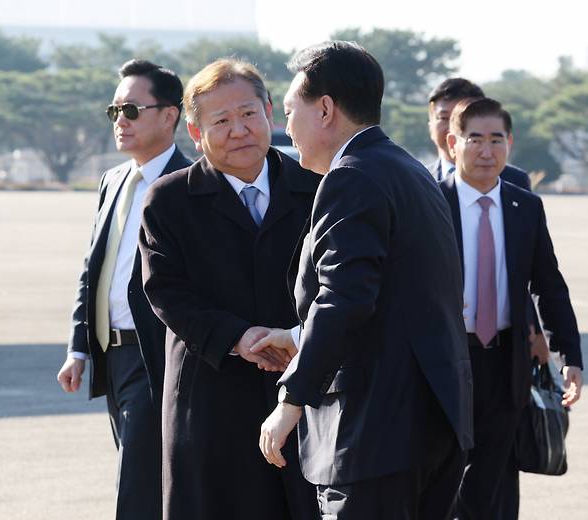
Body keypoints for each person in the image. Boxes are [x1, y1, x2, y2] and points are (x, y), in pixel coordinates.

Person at [255, 41, 473, 519]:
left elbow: (344, 300)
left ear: (326, 110)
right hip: (429, 423)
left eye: (291, 111)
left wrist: (291, 399)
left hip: (373, 434)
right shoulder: (409, 170)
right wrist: (296, 337)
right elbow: (395, 297)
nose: (284, 127)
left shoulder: (350, 177)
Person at [138, 59, 320, 520]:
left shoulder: (318, 190)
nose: (238, 130)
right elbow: (166, 293)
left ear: (270, 114)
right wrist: (240, 338)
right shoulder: (168, 200)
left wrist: (300, 339)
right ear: (196, 134)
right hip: (210, 391)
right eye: (220, 121)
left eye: (248, 114)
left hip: (302, 389)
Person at [56, 59, 191, 520]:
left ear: (169, 115)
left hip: (159, 357)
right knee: (145, 481)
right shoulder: (113, 181)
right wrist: (79, 348)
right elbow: (93, 268)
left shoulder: (190, 185)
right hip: (112, 358)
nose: (121, 122)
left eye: (132, 110)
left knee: (136, 486)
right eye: (115, 111)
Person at [439, 97, 583, 519]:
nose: (487, 151)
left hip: (506, 363)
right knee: (446, 474)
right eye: (475, 140)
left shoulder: (525, 207)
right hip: (446, 362)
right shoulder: (431, 203)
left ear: (510, 143)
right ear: (453, 143)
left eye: (496, 140)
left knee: (493, 477)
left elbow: (549, 287)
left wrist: (569, 356)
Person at [427, 77, 530, 190]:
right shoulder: (418, 180)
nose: (453, 127)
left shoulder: (516, 180)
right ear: (430, 124)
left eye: (463, 120)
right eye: (444, 118)